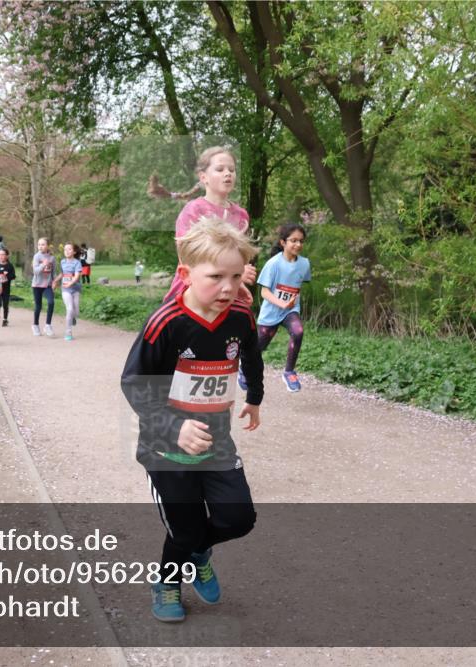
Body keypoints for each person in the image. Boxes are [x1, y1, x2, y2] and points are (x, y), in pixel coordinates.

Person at [120, 217, 263, 623]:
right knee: (184, 529)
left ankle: (199, 550)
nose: (229, 287)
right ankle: (167, 581)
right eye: (216, 276)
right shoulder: (166, 322)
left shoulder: (241, 317)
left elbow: (250, 355)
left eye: (236, 276)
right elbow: (133, 383)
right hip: (165, 449)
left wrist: (254, 396)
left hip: (217, 440)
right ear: (185, 274)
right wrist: (174, 426)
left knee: (239, 518)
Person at [147, 146, 256, 304]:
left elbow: (240, 255)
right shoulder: (193, 210)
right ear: (203, 177)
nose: (228, 173)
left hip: (227, 295)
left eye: (231, 169)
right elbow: (186, 256)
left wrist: (239, 279)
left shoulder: (241, 215)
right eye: (220, 169)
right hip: (191, 295)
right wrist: (234, 272)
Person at [248, 224, 311, 393]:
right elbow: (264, 292)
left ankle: (289, 372)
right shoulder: (273, 264)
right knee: (259, 347)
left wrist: (289, 304)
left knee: (298, 332)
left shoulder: (304, 264)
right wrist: (282, 303)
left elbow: (296, 284)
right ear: (283, 242)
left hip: (290, 311)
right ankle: (243, 368)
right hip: (271, 312)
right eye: (294, 241)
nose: (298, 244)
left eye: (301, 241)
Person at [53, 242, 82, 341]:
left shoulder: (77, 263)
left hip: (76, 289)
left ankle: (73, 317)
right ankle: (68, 332)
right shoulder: (62, 262)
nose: (67, 251)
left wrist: (71, 283)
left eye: (69, 249)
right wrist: (55, 281)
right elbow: (62, 274)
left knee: (76, 311)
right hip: (65, 289)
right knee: (69, 309)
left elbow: (77, 275)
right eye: (65, 249)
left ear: (74, 252)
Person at [31, 237, 56, 337]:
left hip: (47, 285)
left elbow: (53, 272)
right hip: (37, 285)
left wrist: (54, 281)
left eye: (43, 244)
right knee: (38, 306)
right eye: (39, 244)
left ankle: (48, 325)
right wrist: (43, 265)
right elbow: (35, 272)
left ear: (47, 246)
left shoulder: (52, 258)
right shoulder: (37, 257)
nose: (40, 246)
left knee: (51, 302)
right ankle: (35, 325)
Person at [0, 248, 16, 326]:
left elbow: (13, 276)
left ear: (7, 256)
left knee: (5, 304)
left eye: (3, 254)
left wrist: (7, 275)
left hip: (6, 289)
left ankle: (5, 319)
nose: (1, 256)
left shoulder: (10, 266)